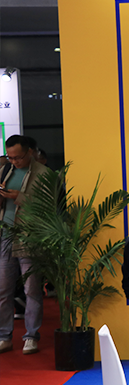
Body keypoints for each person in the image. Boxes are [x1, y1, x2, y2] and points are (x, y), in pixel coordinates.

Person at [0, 135, 53, 355]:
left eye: (18, 157)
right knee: (3, 289)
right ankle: (4, 336)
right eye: (10, 157)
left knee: (32, 289)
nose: (14, 161)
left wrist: (19, 196)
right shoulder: (5, 170)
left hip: (29, 236)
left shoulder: (44, 174)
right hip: (6, 234)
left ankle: (31, 336)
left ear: (29, 152)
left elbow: (47, 206)